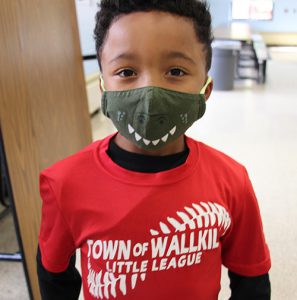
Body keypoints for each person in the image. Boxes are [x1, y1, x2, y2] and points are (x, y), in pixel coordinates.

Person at [36, 1, 271, 299]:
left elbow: (252, 281)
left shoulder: (231, 182)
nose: (150, 92)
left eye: (175, 70)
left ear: (206, 89)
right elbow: (54, 276)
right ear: (102, 86)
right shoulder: (64, 184)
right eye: (126, 71)